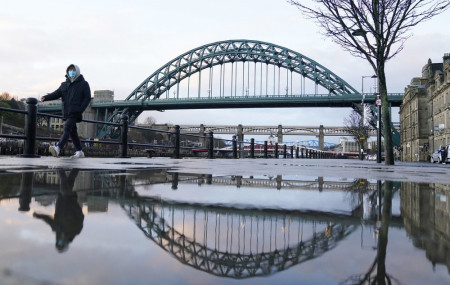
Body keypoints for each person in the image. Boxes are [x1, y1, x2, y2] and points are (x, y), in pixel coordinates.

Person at [40, 64, 91, 158]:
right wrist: (45, 97)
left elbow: (87, 98)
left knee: (67, 127)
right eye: (70, 70)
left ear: (77, 71)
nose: (71, 72)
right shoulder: (64, 84)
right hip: (66, 112)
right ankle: (80, 151)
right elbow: (56, 93)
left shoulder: (84, 84)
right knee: (73, 132)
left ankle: (58, 148)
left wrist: (81, 109)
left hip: (75, 112)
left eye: (73, 70)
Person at [33, 169, 84, 253]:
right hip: (70, 199)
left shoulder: (57, 230)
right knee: (64, 181)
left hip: (62, 199)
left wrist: (38, 215)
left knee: (70, 180)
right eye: (61, 243)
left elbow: (48, 220)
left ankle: (76, 166)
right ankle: (59, 167)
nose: (61, 241)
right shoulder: (76, 230)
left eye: (58, 243)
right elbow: (80, 216)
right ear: (66, 244)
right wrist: (74, 205)